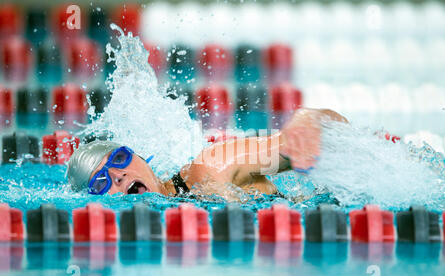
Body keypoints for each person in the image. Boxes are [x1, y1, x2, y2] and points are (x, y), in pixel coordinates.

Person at [67, 108, 348, 200]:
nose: (118, 175)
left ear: (140, 157)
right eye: (100, 182)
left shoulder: (212, 167)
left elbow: (332, 126)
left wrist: (307, 121)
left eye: (119, 159)